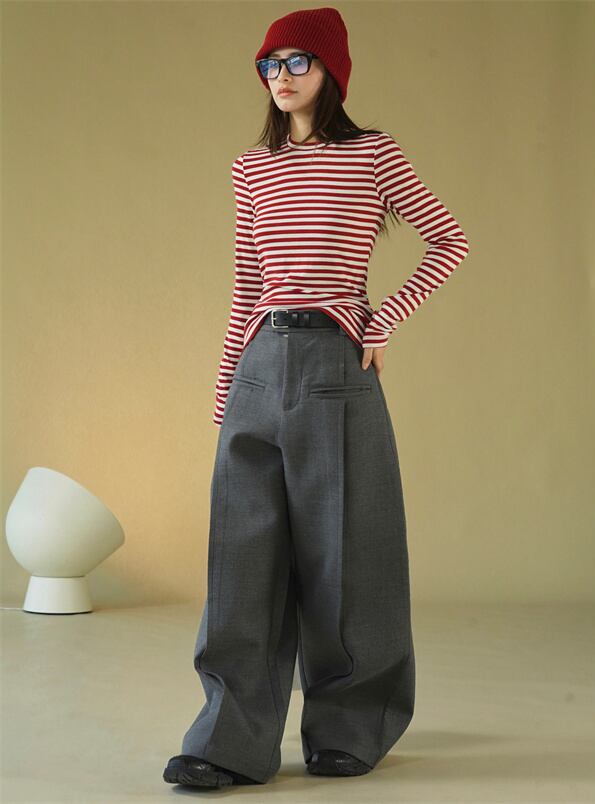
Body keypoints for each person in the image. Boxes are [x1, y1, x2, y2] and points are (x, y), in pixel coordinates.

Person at [164, 5, 470, 790]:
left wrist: (385, 317)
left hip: (336, 363)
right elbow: (247, 286)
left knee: (348, 553)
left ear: (332, 70)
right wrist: (226, 387)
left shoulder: (372, 154)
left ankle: (350, 726)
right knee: (242, 559)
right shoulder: (251, 168)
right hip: (261, 362)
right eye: (270, 64)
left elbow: (449, 240)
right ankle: (229, 738)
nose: (281, 76)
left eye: (298, 61)